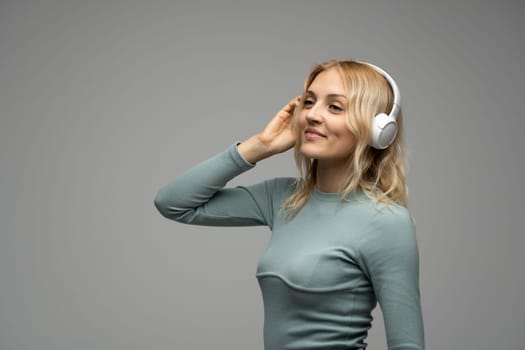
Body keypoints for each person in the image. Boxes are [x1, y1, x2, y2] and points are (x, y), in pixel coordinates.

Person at [154, 59, 425, 350]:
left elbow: (407, 345)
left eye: (334, 107)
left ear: (377, 129)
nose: (312, 115)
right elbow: (174, 203)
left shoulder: (386, 222)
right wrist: (260, 145)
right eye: (309, 102)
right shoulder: (282, 198)